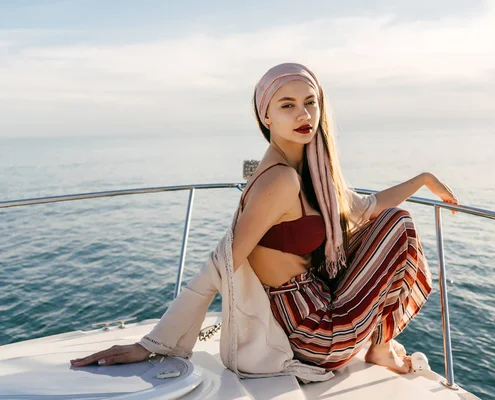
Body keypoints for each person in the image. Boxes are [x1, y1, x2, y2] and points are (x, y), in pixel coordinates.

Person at [71, 63, 459, 376]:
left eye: (310, 102)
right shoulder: (281, 179)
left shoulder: (307, 170)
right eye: (287, 105)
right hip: (310, 333)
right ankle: (380, 348)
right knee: (399, 225)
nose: (304, 114)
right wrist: (151, 344)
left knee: (390, 219)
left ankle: (379, 348)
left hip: (316, 306)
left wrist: (422, 179)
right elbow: (220, 265)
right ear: (266, 116)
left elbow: (361, 207)